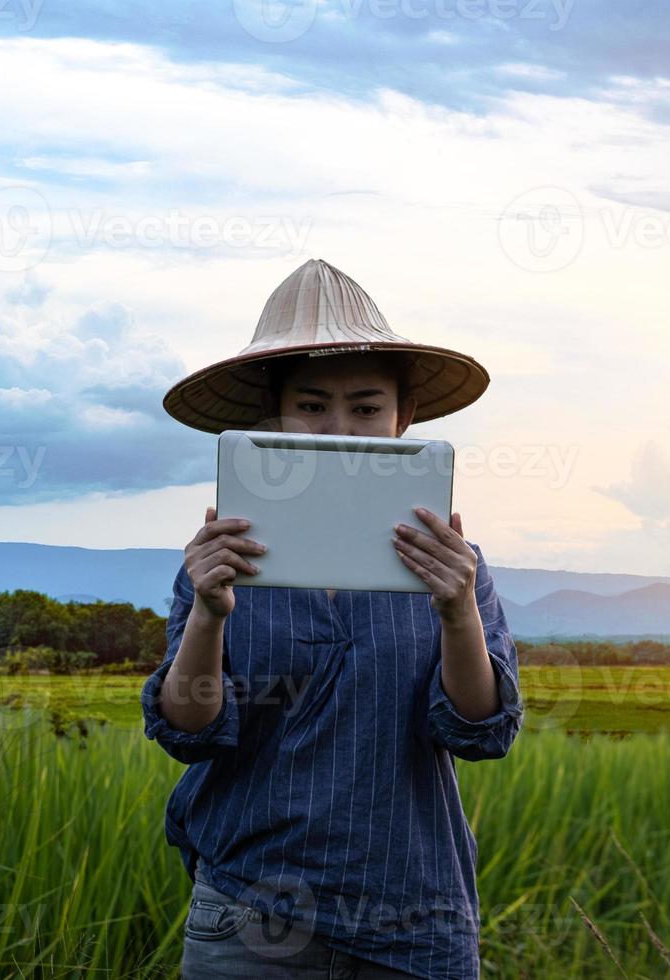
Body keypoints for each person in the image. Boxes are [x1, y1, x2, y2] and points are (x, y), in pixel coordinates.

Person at [142, 259, 524, 979]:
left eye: (367, 407)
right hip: (251, 915)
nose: (342, 429)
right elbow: (186, 732)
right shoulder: (223, 559)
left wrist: (456, 612)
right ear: (276, 418)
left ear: (403, 419)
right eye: (312, 407)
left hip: (416, 917)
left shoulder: (451, 564)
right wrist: (210, 616)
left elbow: (479, 730)